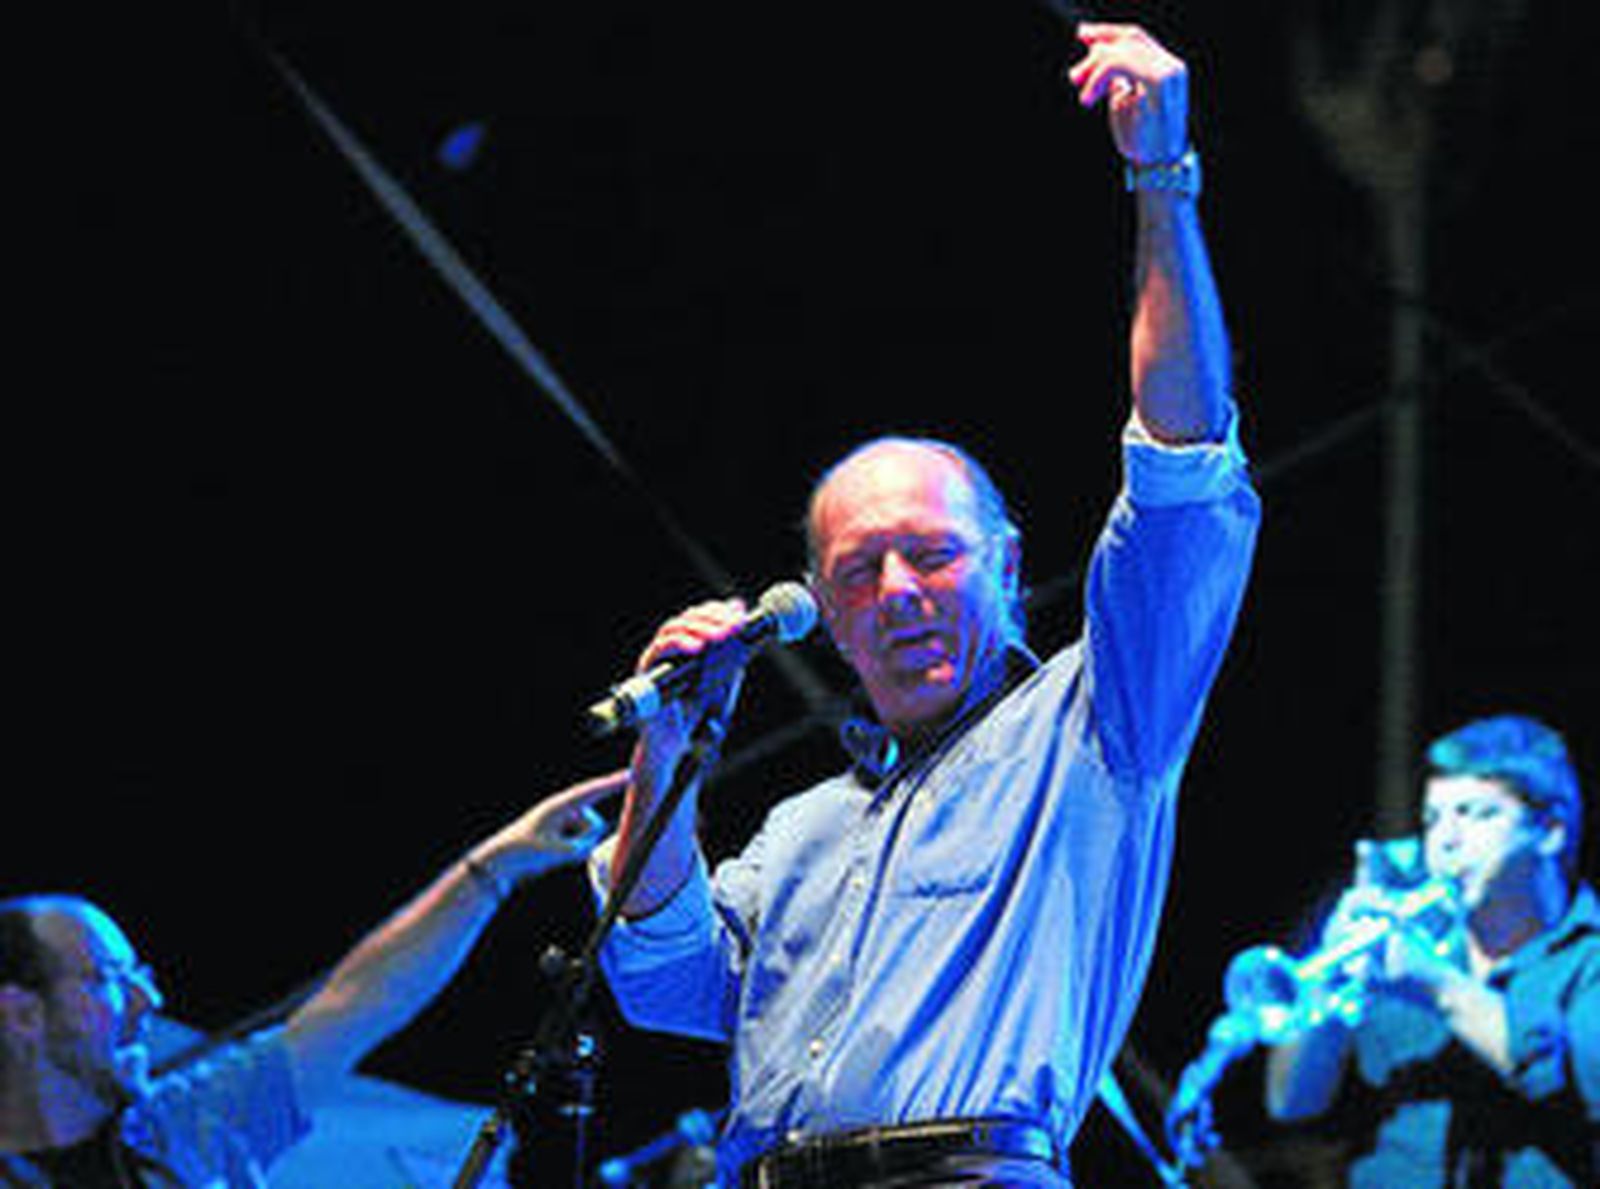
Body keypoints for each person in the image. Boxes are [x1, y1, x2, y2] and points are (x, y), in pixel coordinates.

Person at [589, 22, 1260, 1188]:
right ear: (829, 620)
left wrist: (1160, 177)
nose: (896, 591)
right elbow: (661, 981)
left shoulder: (1095, 729)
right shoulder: (799, 832)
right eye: (858, 572)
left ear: (1004, 567)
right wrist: (665, 754)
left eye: (931, 556)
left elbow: (1184, 471)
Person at [0, 770, 626, 1187]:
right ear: (22, 1012)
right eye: (110, 978)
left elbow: (361, 1000)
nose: (149, 1000)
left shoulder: (181, 1130)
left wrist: (496, 866)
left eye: (141, 974)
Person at [1264, 714, 1599, 1186]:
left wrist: (1438, 987)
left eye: (1475, 813)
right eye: (1433, 818)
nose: (1445, 840)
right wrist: (1331, 982)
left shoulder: (1589, 959)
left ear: (1551, 830)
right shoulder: (1413, 946)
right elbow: (1291, 1101)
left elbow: (1582, 1080)